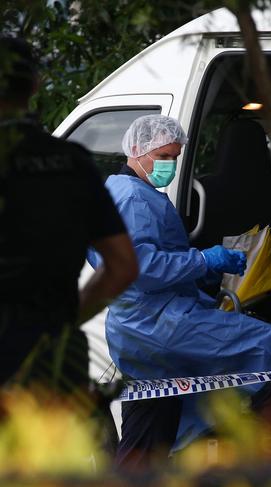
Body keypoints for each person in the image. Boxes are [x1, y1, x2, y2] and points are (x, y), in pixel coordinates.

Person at [87, 114, 271, 470]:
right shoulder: (135, 199)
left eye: (174, 158)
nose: (170, 165)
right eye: (164, 156)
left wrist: (199, 278)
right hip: (159, 324)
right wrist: (204, 261)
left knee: (151, 426)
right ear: (137, 150)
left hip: (140, 326)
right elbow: (142, 268)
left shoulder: (120, 191)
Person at [0, 36, 138, 391]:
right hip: (55, 364)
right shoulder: (73, 162)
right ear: (35, 84)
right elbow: (123, 266)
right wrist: (61, 325)